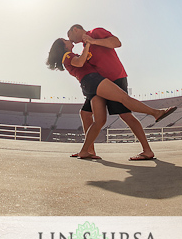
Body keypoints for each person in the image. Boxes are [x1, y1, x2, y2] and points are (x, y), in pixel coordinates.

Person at [46, 37, 176, 160]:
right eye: (65, 40)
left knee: (99, 121)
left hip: (89, 85)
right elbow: (80, 63)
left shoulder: (69, 56)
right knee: (124, 98)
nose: (69, 40)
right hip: (93, 80)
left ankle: (85, 151)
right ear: (62, 47)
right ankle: (155, 113)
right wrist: (89, 44)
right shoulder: (67, 56)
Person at [67, 24, 161, 161]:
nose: (71, 41)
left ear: (75, 29)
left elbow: (116, 43)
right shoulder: (85, 47)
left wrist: (93, 41)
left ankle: (147, 150)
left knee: (125, 115)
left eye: (69, 36)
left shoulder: (95, 32)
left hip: (115, 77)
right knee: (85, 113)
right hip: (100, 85)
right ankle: (88, 150)